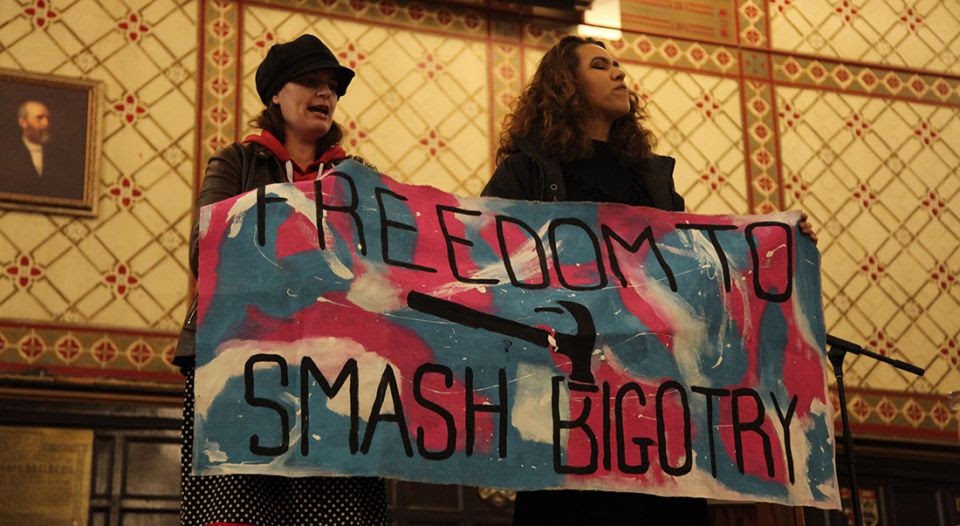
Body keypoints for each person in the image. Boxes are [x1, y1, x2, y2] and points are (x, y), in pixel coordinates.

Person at [483, 35, 816, 524]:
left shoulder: (651, 180)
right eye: (601, 65)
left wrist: (778, 242)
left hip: (654, 408)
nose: (619, 73)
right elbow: (485, 258)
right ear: (566, 85)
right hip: (567, 405)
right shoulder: (527, 172)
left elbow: (693, 266)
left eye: (618, 64)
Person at [174, 34, 389, 526]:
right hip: (240, 364)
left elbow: (390, 265)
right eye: (311, 82)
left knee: (334, 513)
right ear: (275, 94)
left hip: (334, 370)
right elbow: (204, 251)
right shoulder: (238, 162)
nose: (326, 94)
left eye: (332, 86)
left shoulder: (359, 177)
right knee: (240, 509)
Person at [4, 100, 83, 200]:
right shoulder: (6, 155)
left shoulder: (62, 157)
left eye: (47, 118)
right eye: (39, 118)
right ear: (23, 122)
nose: (46, 123)